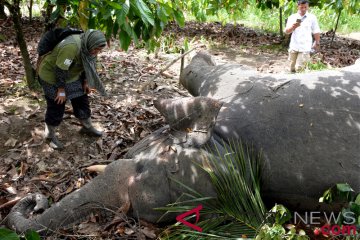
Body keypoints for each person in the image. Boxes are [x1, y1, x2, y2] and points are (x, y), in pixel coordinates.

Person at [38, 29, 108, 150]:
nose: (97, 53)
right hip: (52, 76)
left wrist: (85, 81)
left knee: (82, 100)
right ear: (90, 44)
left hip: (72, 75)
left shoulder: (89, 47)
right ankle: (49, 136)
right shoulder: (71, 46)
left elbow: (89, 64)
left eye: (99, 50)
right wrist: (61, 90)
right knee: (57, 104)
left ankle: (87, 127)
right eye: (96, 49)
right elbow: (60, 70)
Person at [285, 0, 320, 73]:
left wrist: (317, 42)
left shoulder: (312, 18)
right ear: (297, 7)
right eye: (301, 7)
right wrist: (293, 27)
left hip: (305, 47)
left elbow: (316, 31)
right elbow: (287, 31)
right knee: (290, 69)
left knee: (299, 69)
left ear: (308, 7)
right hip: (294, 46)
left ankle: (300, 83)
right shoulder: (292, 17)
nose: (303, 9)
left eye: (305, 7)